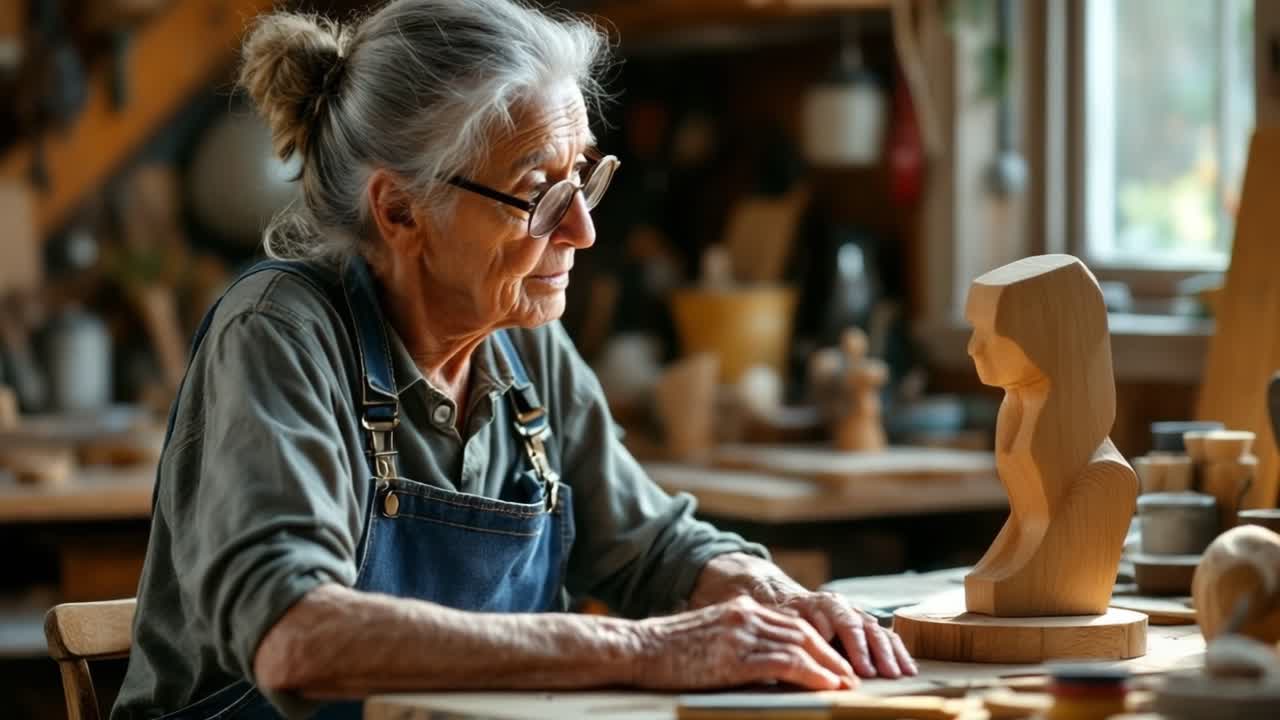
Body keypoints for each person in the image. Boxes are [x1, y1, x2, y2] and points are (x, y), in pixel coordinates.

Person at [113, 1, 916, 717]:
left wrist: (782, 601)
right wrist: (645, 651)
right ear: (399, 209)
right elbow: (296, 634)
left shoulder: (522, 336)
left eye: (583, 181)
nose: (581, 232)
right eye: (539, 194)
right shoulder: (280, 332)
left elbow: (656, 548)